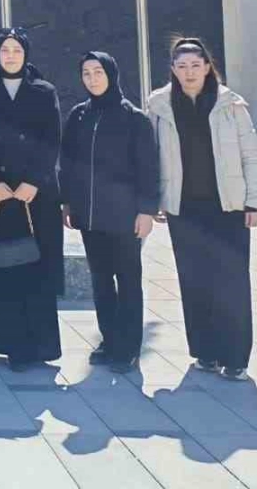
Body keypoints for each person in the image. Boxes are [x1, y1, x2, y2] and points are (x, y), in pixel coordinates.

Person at [146, 37, 257, 381]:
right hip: (184, 208)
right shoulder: (159, 106)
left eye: (195, 66)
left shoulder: (231, 104)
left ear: (207, 67)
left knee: (231, 281)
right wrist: (155, 200)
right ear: (173, 70)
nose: (189, 72)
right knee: (194, 280)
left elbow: (251, 154)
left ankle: (235, 357)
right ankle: (205, 351)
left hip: (228, 206)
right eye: (182, 66)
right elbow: (152, 156)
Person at [0, 27, 64, 370]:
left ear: (26, 54)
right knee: (2, 263)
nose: (11, 56)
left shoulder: (44, 91)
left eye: (17, 50)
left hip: (34, 195)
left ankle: (36, 345)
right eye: (5, 50)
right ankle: (5, 342)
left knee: (34, 264)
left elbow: (52, 140)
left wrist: (33, 182)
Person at [59, 52, 158, 374]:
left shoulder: (134, 118)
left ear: (111, 74)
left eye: (98, 72)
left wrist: (147, 211)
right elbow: (67, 162)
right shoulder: (79, 116)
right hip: (89, 216)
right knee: (101, 281)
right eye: (86, 73)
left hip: (124, 216)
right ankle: (109, 338)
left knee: (127, 281)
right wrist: (66, 201)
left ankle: (128, 347)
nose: (92, 79)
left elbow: (148, 168)